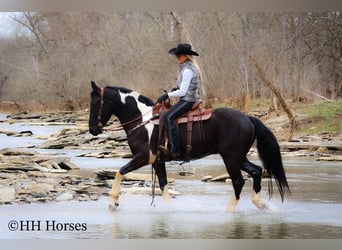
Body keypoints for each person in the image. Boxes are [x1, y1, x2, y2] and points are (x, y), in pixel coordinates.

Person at [157, 43, 202, 159]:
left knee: (168, 116)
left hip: (189, 100)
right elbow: (182, 88)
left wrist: (167, 95)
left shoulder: (188, 70)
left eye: (180, 55)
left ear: (186, 56)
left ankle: (175, 150)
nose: (177, 57)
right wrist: (174, 89)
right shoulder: (186, 68)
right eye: (177, 55)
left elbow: (183, 92)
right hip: (188, 98)